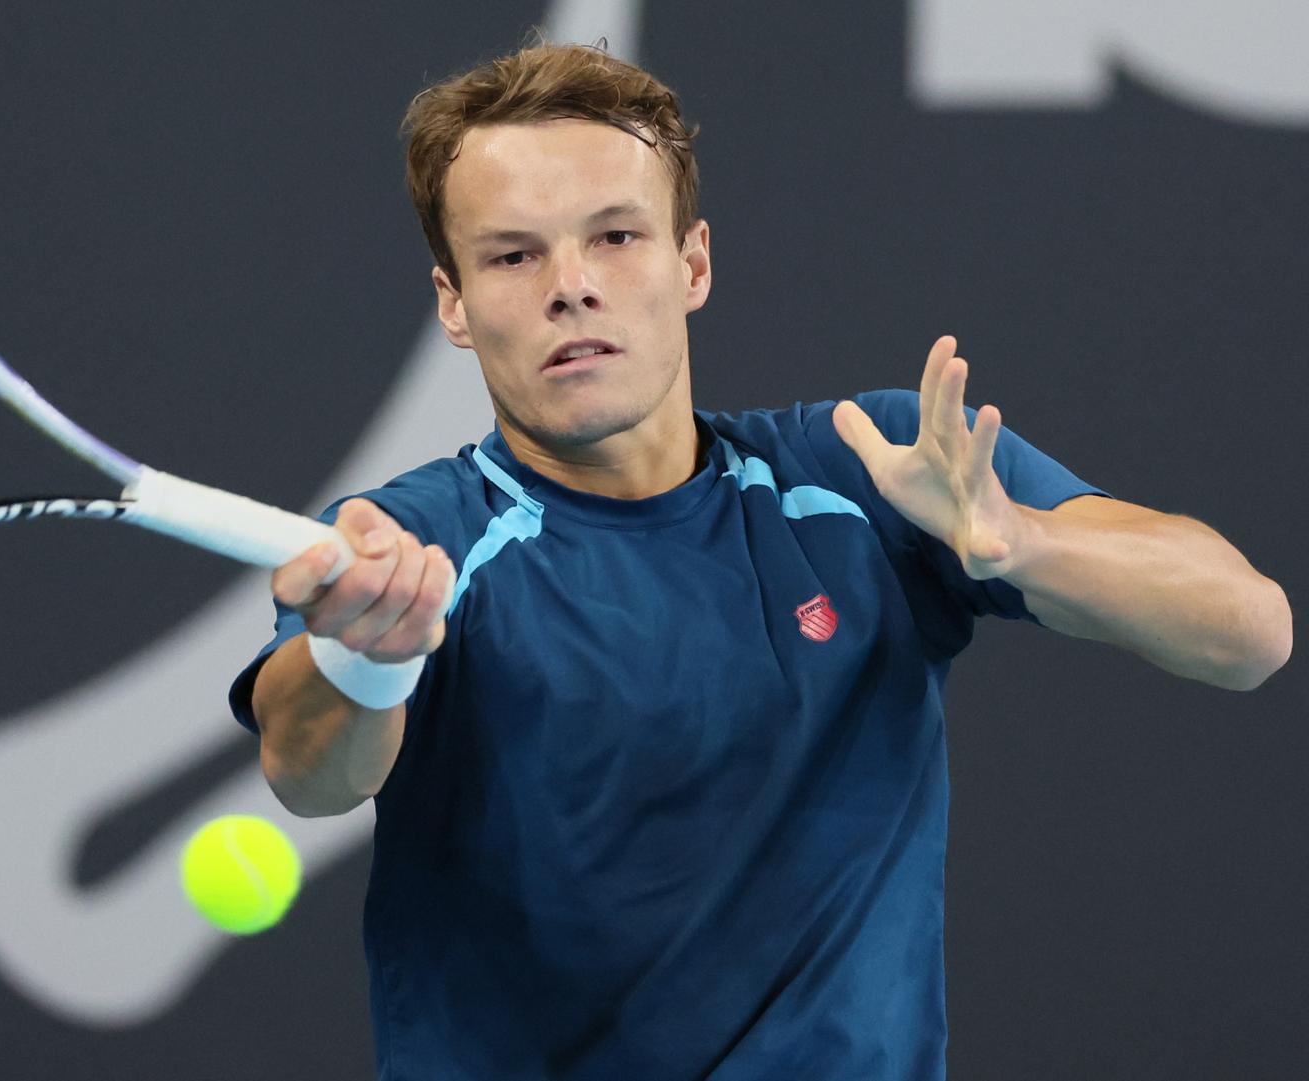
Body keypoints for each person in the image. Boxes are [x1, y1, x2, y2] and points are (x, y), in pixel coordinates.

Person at [226, 41, 1292, 1080]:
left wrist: (1024, 539)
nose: (571, 286)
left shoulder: (876, 469)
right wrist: (368, 660)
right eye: (513, 255)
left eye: (615, 236)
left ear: (692, 262)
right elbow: (309, 773)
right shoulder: (413, 542)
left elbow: (1249, 632)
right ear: (453, 302)